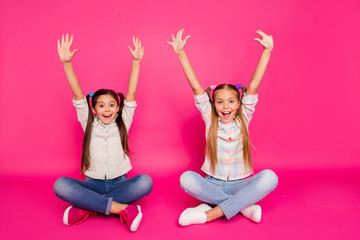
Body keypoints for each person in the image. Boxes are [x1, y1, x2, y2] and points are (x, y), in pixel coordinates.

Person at [168, 29, 278, 226]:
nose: (225, 106)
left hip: (242, 184)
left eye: (230, 102)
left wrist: (267, 52)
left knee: (270, 177)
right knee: (186, 178)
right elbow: (195, 88)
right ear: (214, 104)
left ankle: (210, 213)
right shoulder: (210, 119)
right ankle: (243, 207)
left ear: (238, 104)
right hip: (213, 183)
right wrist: (181, 53)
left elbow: (253, 86)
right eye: (220, 102)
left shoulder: (244, 117)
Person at [53, 34, 152, 232]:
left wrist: (136, 61)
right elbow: (77, 94)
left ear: (118, 108)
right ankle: (122, 208)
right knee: (60, 184)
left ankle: (88, 207)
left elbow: (131, 93)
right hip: (92, 184)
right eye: (101, 105)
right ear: (94, 109)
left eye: (111, 105)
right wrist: (67, 63)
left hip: (120, 185)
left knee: (146, 182)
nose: (107, 109)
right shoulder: (87, 121)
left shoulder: (123, 121)